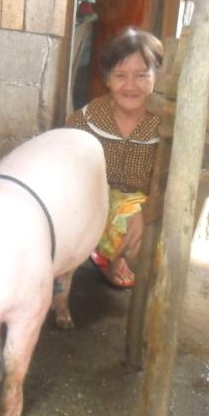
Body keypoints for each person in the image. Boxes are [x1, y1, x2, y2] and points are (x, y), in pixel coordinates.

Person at [66, 27, 164, 288]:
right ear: (107, 79)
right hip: (93, 200)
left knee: (148, 242)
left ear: (157, 77)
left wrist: (147, 213)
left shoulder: (165, 126)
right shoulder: (87, 120)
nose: (130, 86)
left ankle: (118, 257)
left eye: (141, 75)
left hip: (143, 207)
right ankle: (82, 262)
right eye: (120, 75)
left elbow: (175, 182)